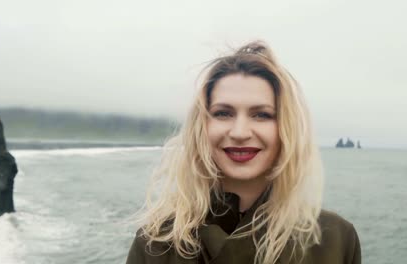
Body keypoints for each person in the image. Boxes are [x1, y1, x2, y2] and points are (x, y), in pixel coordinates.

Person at [126, 41, 361, 264]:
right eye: (223, 113)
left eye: (261, 115)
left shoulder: (336, 239)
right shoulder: (156, 243)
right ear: (202, 127)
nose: (239, 132)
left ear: (285, 128)